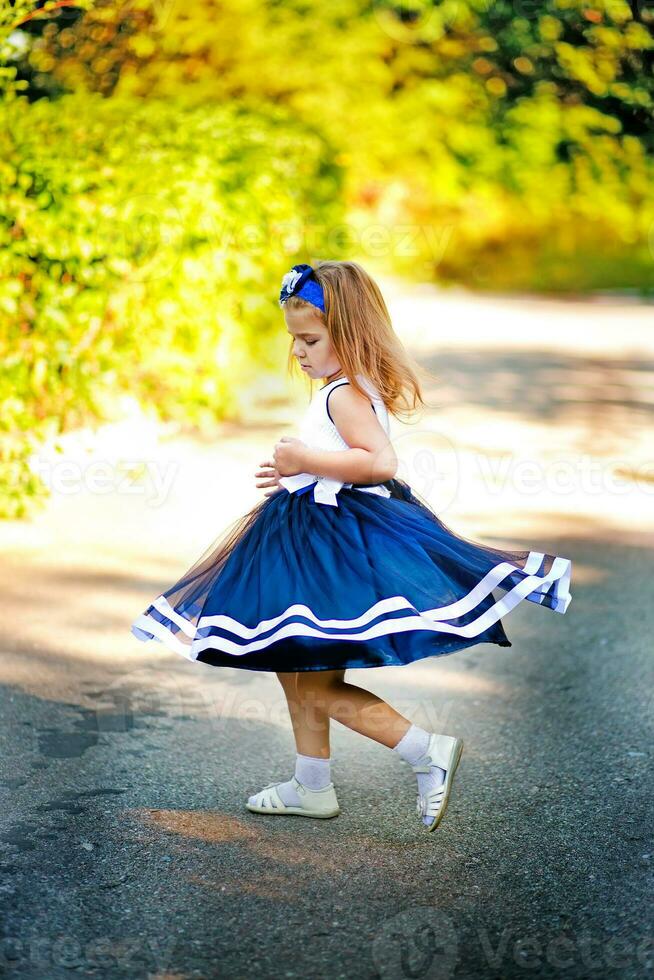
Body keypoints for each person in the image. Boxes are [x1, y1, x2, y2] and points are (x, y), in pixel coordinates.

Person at [130, 260, 572, 832]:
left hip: (326, 547)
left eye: (310, 339)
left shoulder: (344, 395)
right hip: (306, 535)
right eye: (294, 340)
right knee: (295, 665)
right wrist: (296, 471)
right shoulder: (343, 390)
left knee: (315, 683)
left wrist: (305, 460)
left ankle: (424, 750)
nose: (299, 352)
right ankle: (310, 785)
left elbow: (379, 462)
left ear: (351, 335)